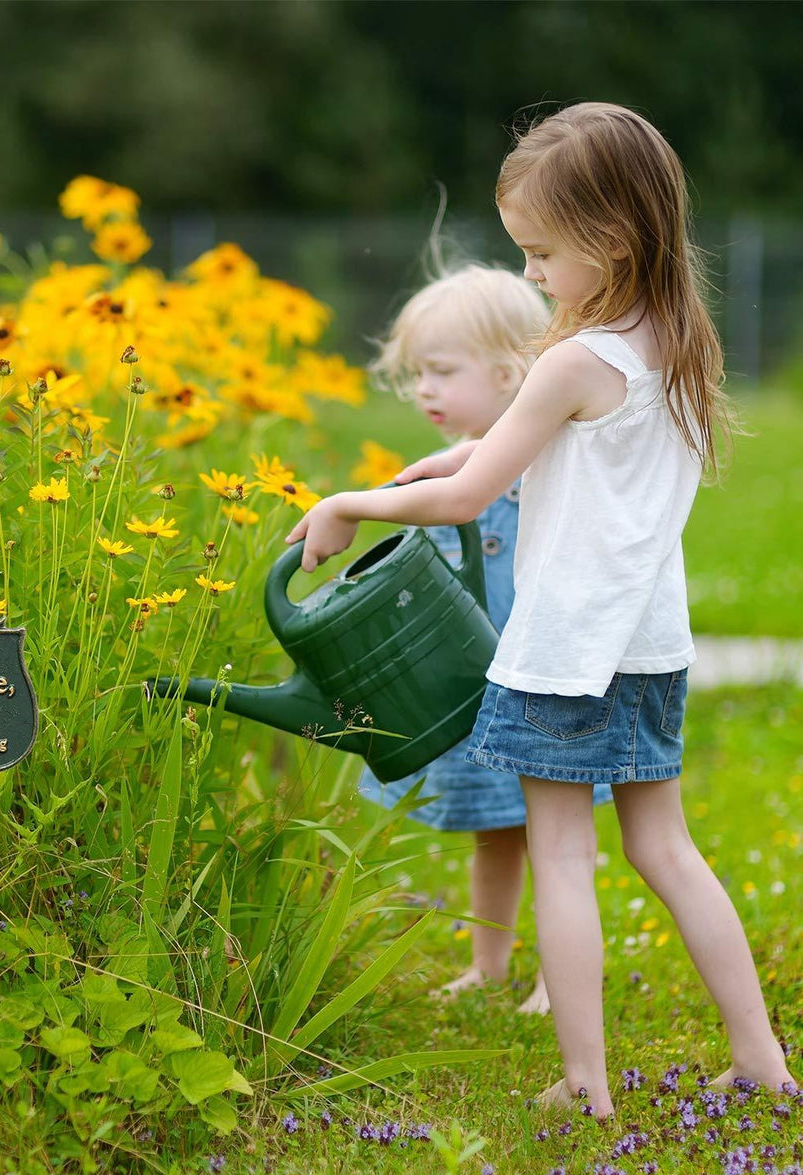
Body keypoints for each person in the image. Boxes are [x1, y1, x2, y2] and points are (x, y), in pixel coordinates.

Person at [288, 102, 794, 1118]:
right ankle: (761, 1058)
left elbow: (466, 497)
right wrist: (454, 454)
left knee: (560, 854)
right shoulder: (670, 342)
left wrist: (347, 501)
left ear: (606, 240)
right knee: (664, 849)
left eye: (539, 253)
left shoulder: (570, 358)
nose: (528, 275)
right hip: (648, 646)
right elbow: (543, 458)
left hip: (563, 652)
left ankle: (583, 1082)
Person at [360, 261, 611, 1015]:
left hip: (539, 682)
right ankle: (490, 963)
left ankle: (555, 979)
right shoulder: (457, 466)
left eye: (439, 372)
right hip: (476, 690)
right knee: (494, 831)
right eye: (417, 376)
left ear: (511, 372)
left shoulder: (541, 462)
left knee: (553, 834)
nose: (424, 391)